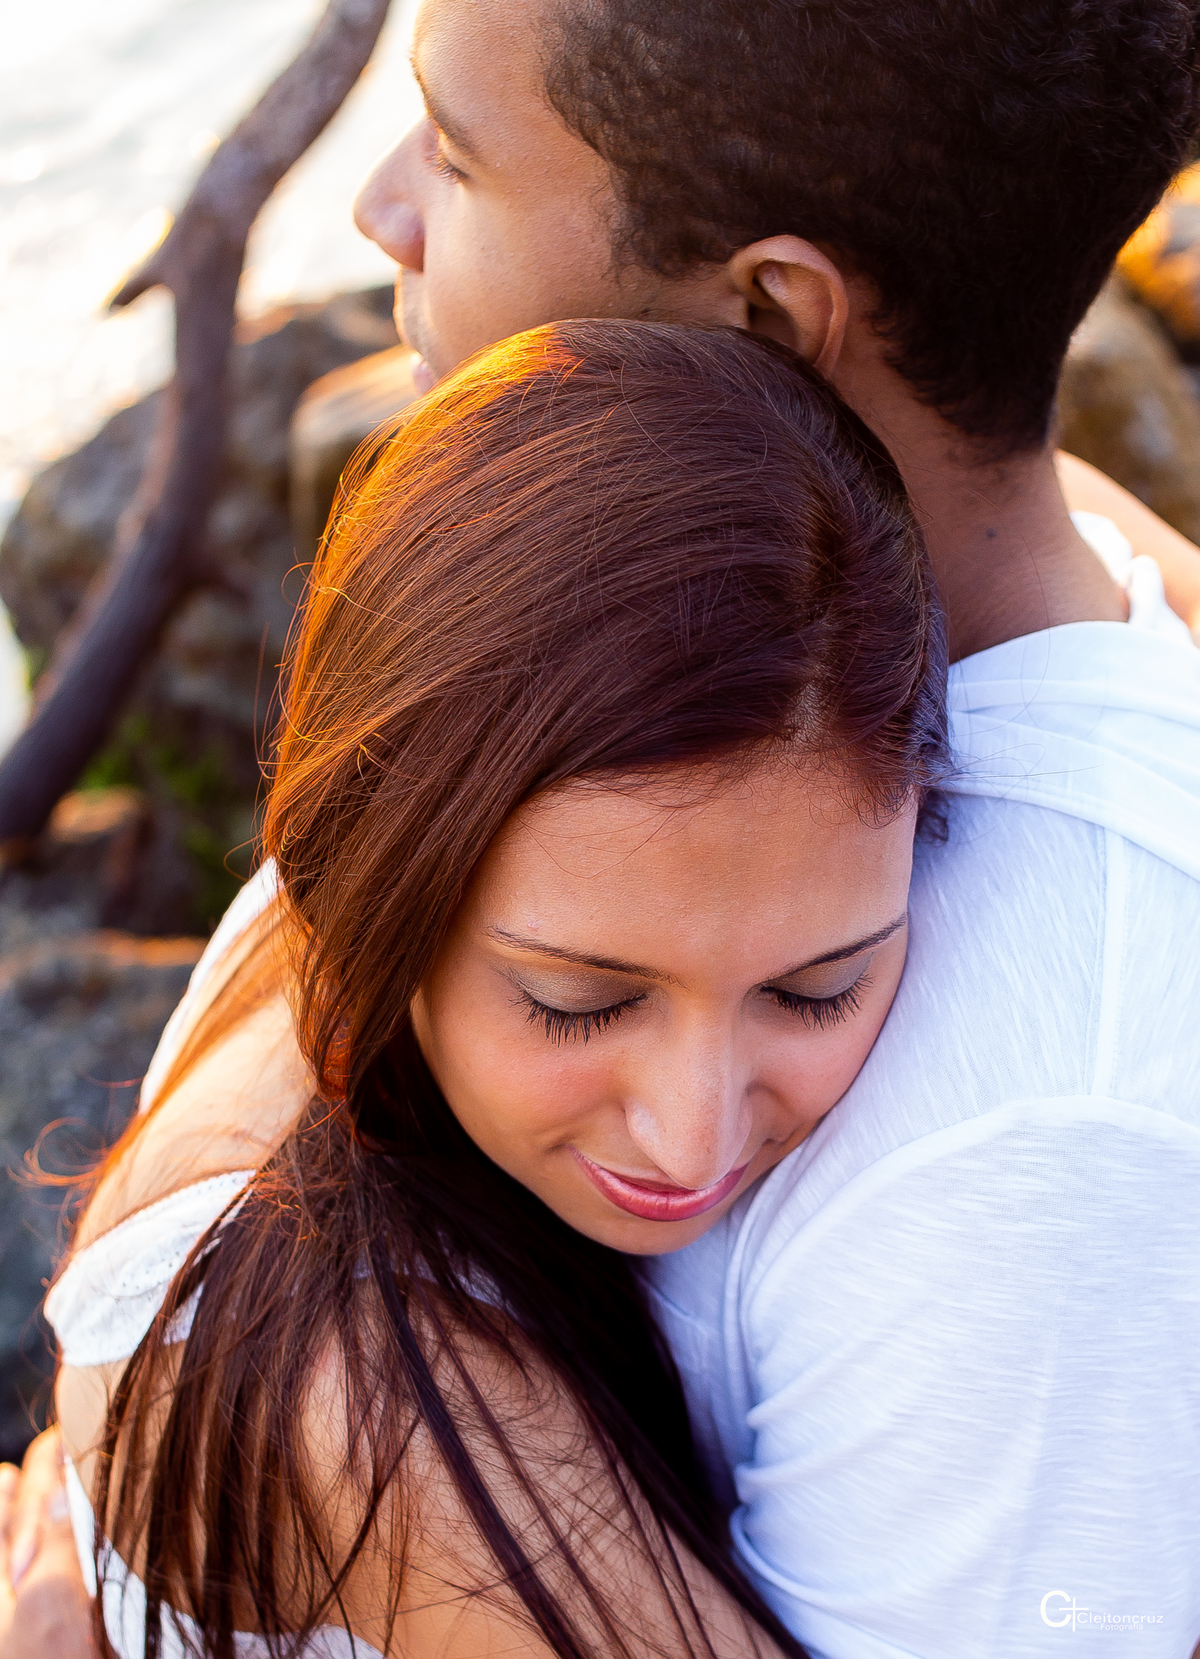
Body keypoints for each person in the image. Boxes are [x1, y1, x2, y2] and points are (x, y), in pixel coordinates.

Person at [5, 0, 1200, 1650]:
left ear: (774, 322)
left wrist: (327, 1408)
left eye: (462, 153)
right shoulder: (683, 656)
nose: (382, 211)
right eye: (578, 995)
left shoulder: (1034, 1120)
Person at [48, 321, 946, 1657]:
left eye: (816, 989)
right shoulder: (396, 1416)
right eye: (581, 1004)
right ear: (375, 876)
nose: (690, 1137)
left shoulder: (301, 936)